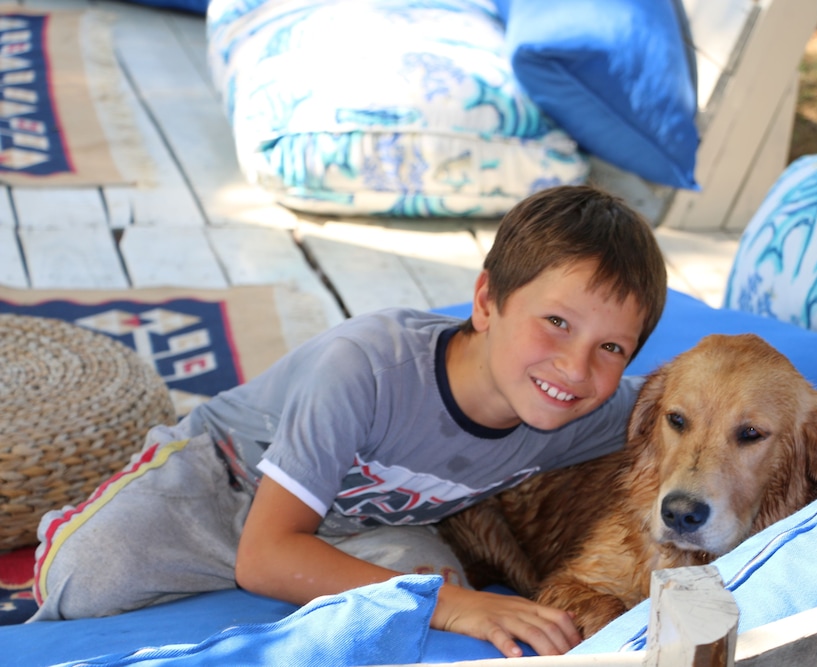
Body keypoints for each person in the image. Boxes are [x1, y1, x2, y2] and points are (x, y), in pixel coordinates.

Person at [31, 185, 668, 658]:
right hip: (223, 482)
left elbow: (693, 395)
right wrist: (454, 605)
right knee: (89, 577)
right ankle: (92, 522)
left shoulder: (587, 407)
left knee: (427, 610)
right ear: (486, 302)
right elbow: (265, 556)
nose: (575, 367)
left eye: (612, 347)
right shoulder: (365, 367)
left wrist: (446, 601)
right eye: (556, 322)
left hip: (367, 525)